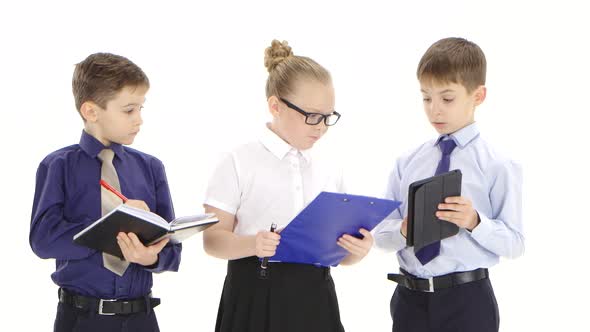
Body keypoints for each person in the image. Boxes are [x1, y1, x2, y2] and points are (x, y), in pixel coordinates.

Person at [202, 39, 374, 332]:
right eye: (311, 116)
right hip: (254, 295)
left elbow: (340, 254)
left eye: (328, 117)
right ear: (275, 106)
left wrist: (356, 251)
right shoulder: (239, 160)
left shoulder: (329, 165)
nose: (320, 126)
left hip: (317, 299)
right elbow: (212, 240)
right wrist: (253, 244)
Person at [373, 37, 524, 332]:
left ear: (478, 96)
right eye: (426, 98)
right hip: (409, 300)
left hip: (467, 302)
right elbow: (380, 235)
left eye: (447, 98)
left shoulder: (498, 164)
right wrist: (404, 230)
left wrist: (475, 221)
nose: (435, 110)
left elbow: (515, 243)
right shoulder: (407, 162)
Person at [30, 52, 182, 332]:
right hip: (80, 318)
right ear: (91, 111)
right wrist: (113, 225)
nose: (139, 119)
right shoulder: (58, 166)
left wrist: (150, 258)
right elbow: (43, 240)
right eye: (128, 110)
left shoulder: (151, 167)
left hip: (142, 318)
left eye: (141, 108)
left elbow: (172, 249)